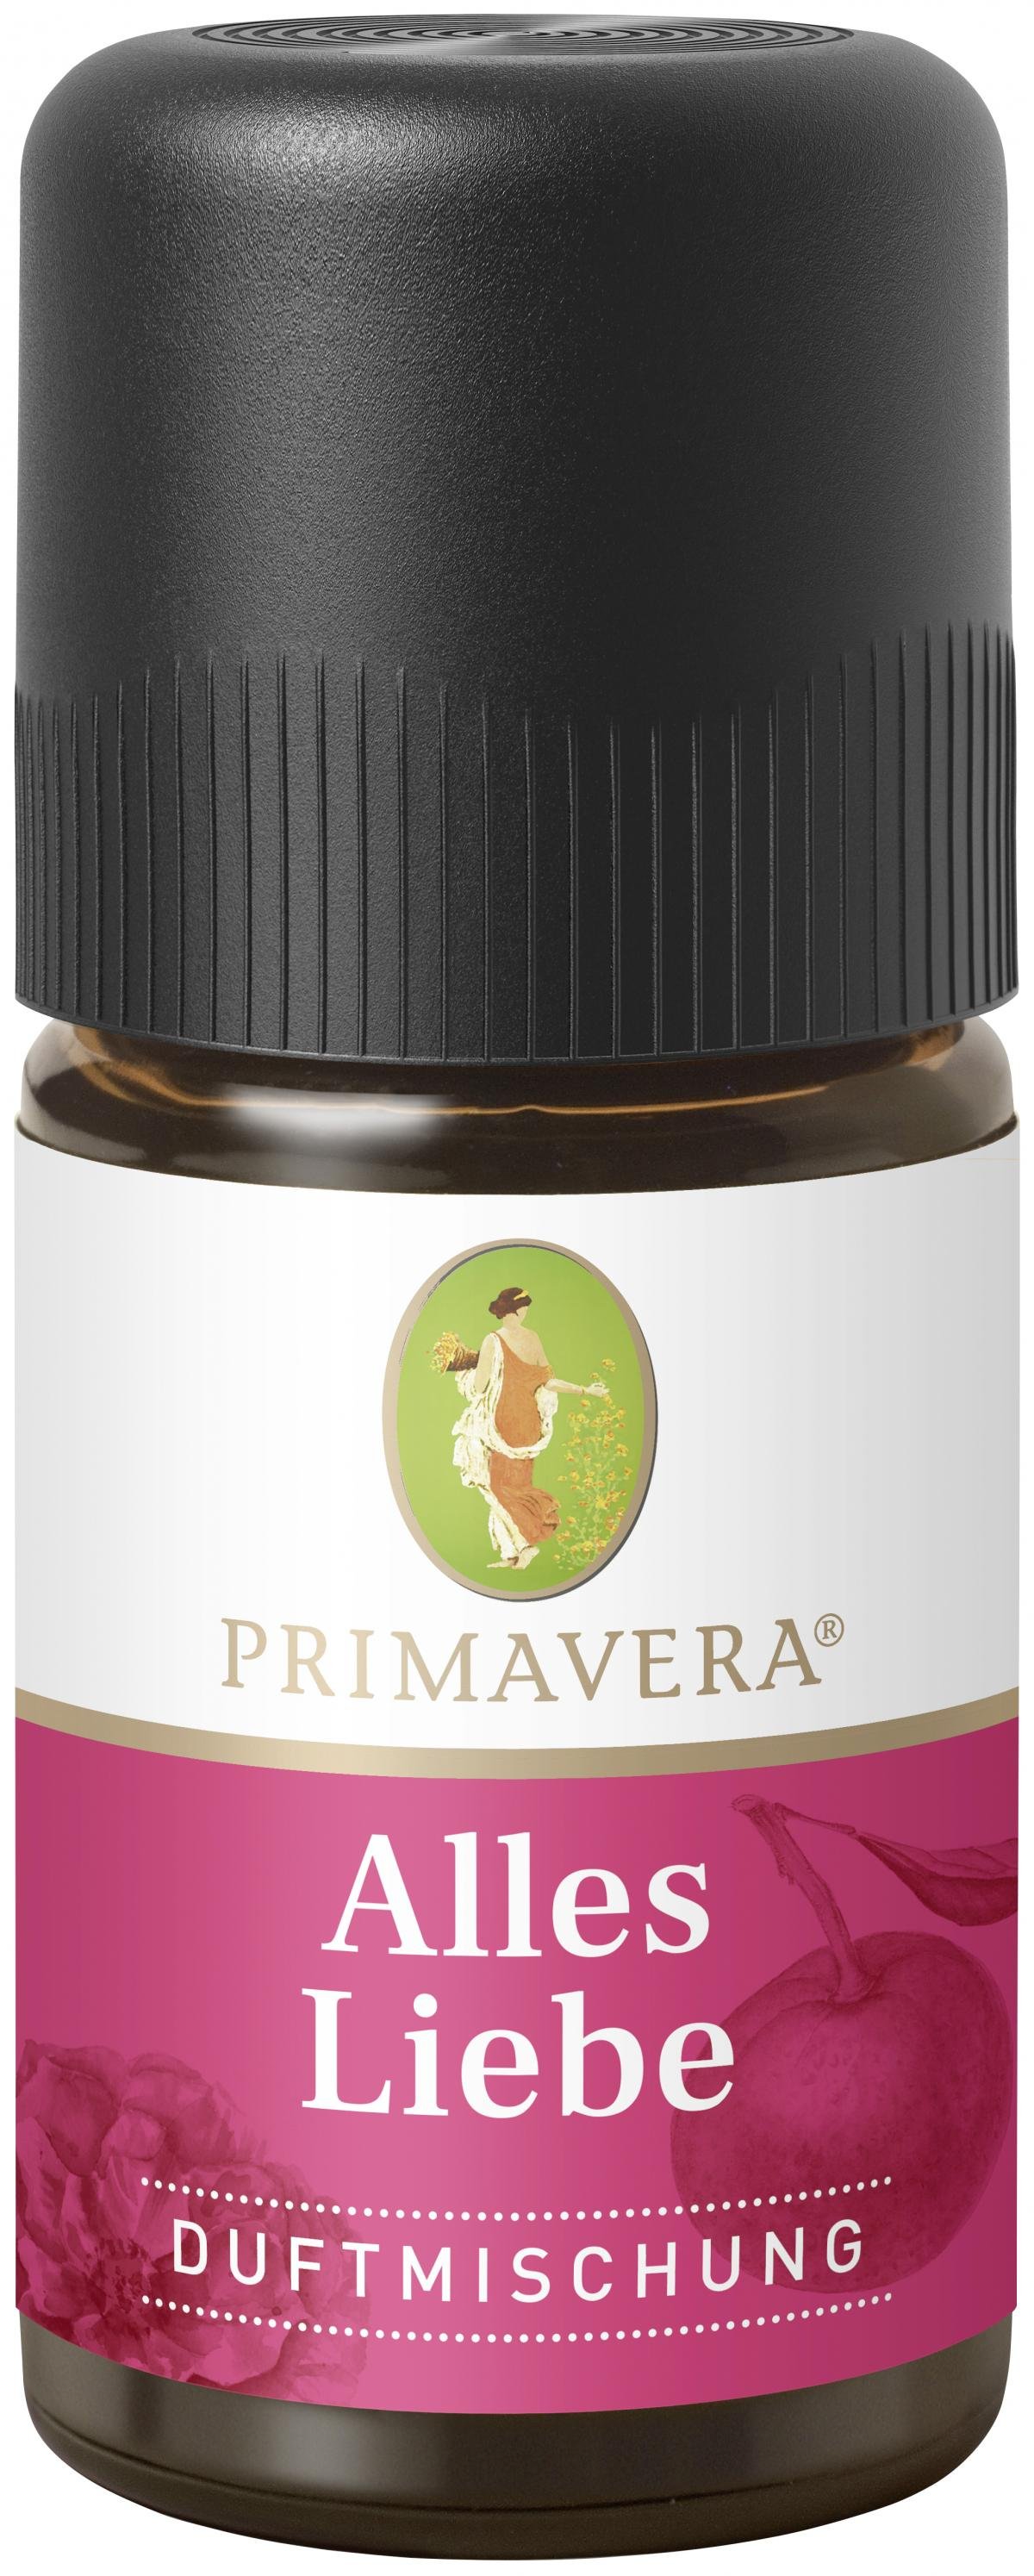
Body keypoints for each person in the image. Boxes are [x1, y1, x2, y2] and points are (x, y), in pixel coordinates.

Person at [448, 1286, 608, 1572]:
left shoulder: (492, 1340)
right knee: (516, 1487)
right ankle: (511, 1553)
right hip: (528, 1424)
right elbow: (549, 1382)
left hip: (503, 1423)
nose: (527, 1312)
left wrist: (463, 1372)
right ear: (518, 1310)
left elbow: (480, 1387)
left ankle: (525, 1546)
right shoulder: (533, 1338)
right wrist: (585, 1390)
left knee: (495, 1486)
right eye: (525, 1307)